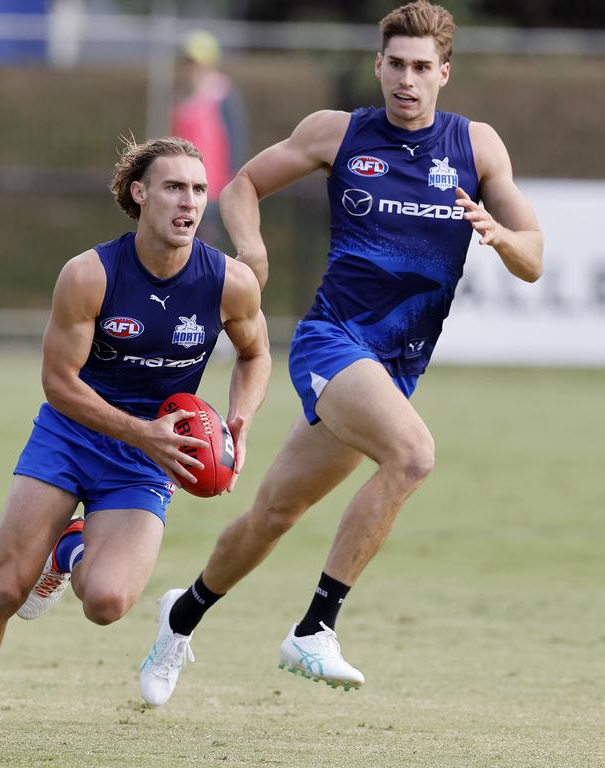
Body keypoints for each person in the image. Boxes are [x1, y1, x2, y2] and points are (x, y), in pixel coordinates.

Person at [139, 0, 543, 706]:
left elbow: (534, 257)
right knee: (413, 456)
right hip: (332, 341)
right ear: (378, 66)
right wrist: (254, 247)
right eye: (396, 65)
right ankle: (315, 627)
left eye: (423, 68)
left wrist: (505, 239)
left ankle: (180, 618)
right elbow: (241, 186)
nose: (407, 80)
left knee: (272, 513)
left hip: (393, 369)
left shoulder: (476, 148)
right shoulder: (339, 133)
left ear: (444, 73)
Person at [0, 136, 270, 744]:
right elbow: (57, 382)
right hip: (72, 436)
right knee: (4, 588)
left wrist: (240, 418)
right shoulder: (89, 274)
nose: (190, 203)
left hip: (149, 455)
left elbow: (255, 354)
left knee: (106, 602)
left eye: (200, 190)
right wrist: (141, 433)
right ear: (139, 193)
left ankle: (69, 553)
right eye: (174, 188)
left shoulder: (228, 282)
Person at [170, 29, 247, 247]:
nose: (193, 69)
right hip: (182, 182)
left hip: (212, 184)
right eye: (190, 63)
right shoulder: (181, 97)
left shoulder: (223, 94)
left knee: (206, 241)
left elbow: (236, 137)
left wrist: (235, 181)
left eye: (198, 63)